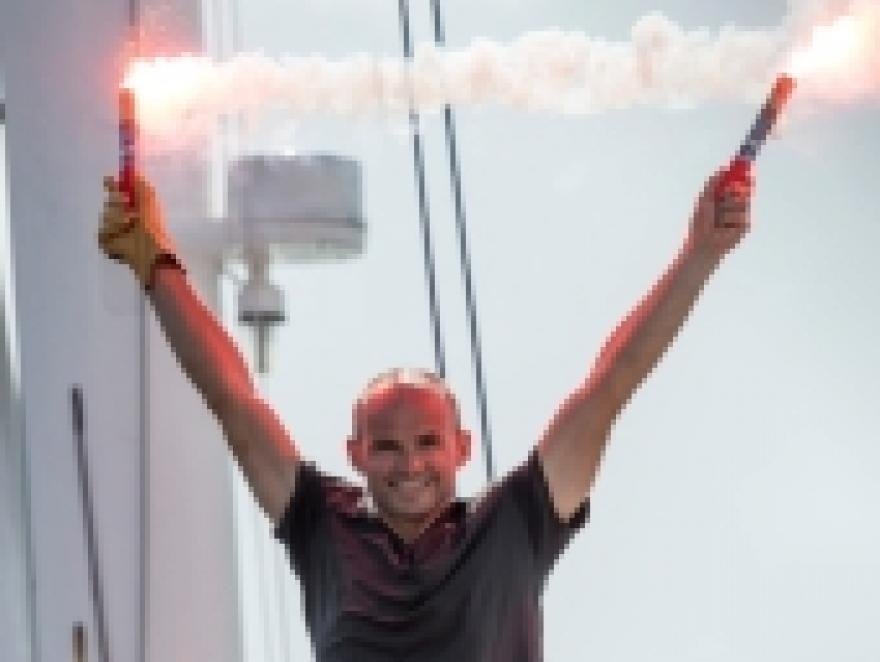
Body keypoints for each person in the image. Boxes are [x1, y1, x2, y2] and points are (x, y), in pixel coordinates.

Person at [98, 165, 752, 661]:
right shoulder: (321, 527)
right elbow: (233, 400)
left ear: (462, 448)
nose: (409, 464)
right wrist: (155, 260)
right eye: (386, 446)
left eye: (427, 442)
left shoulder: (516, 525)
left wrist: (699, 255)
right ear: (355, 453)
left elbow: (613, 381)